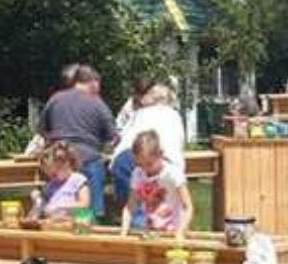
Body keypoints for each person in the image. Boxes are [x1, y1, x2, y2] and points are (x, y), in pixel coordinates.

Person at [38, 64, 115, 220]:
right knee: (91, 212)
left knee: (56, 208)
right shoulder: (97, 103)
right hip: (89, 159)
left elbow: (42, 130)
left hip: (58, 159)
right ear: (93, 82)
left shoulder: (55, 99)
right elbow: (112, 136)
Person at [110, 83, 185, 211]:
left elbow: (123, 136)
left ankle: (134, 224)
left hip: (126, 159)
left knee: (133, 206)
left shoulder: (139, 113)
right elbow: (178, 143)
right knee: (156, 206)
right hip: (156, 158)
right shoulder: (174, 116)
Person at [120, 130, 194, 240]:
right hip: (151, 232)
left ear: (160, 154)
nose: (145, 169)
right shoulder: (138, 174)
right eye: (140, 164)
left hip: (174, 231)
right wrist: (123, 232)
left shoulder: (173, 173)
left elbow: (188, 207)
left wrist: (180, 233)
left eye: (149, 164)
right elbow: (131, 206)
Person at [28, 141, 89, 218]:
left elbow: (84, 205)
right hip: (54, 225)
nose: (51, 179)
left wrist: (61, 206)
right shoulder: (51, 185)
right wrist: (38, 200)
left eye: (54, 174)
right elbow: (44, 206)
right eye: (49, 175)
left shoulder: (78, 180)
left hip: (75, 223)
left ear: (66, 164)